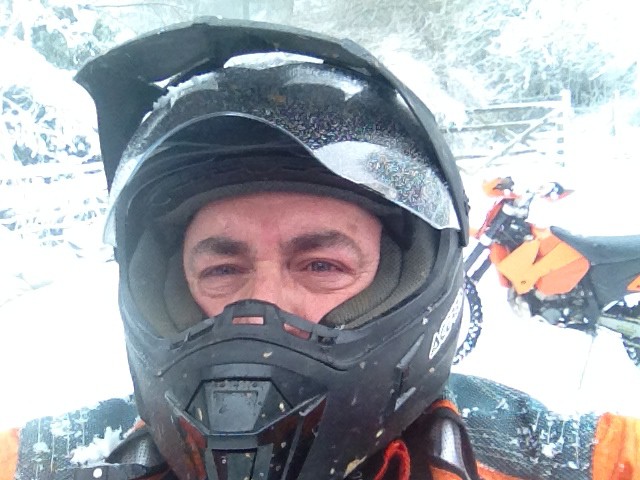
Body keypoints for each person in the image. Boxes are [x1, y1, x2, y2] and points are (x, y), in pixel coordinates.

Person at [2, 18, 639, 480]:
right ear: (164, 288)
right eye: (221, 268)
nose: (263, 307)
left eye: (322, 264)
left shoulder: (554, 459)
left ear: (408, 278)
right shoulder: (49, 462)